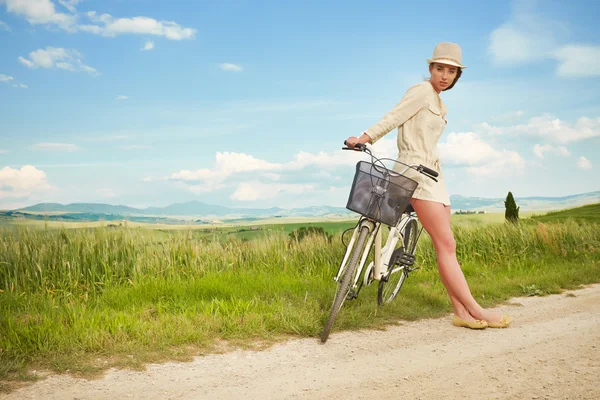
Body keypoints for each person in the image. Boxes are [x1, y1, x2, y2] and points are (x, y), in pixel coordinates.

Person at [345, 42, 511, 329]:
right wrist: (365, 137)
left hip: (435, 174)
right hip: (414, 172)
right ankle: (476, 309)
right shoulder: (421, 91)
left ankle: (461, 313)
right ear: (430, 69)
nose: (445, 75)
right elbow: (394, 116)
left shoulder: (439, 101)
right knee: (446, 244)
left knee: (445, 245)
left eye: (451, 71)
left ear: (457, 75)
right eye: (439, 68)